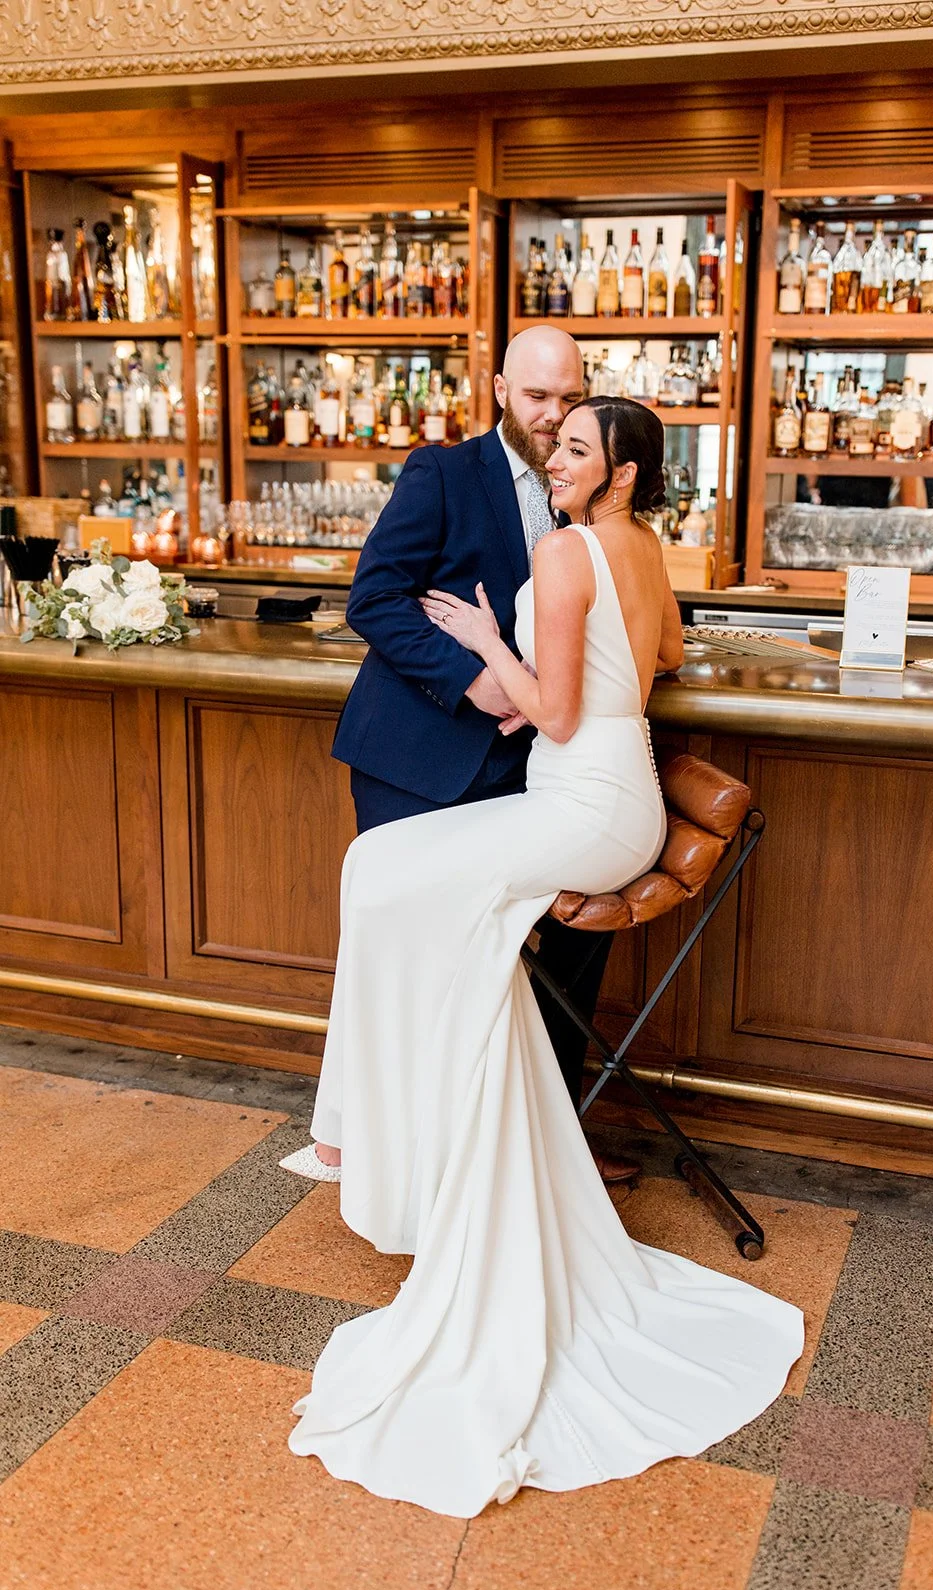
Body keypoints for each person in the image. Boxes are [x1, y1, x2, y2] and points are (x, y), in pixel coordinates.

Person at [283, 395, 804, 1518]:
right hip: (620, 802)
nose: (554, 460)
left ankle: (379, 1143)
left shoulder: (568, 550)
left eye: (575, 449)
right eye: (554, 441)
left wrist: (485, 645)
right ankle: (403, 1143)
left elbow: (551, 716)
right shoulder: (643, 546)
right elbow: (661, 653)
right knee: (401, 889)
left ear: (617, 473)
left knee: (379, 874)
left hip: (579, 804)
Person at [296, 325, 635, 1183]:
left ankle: (531, 1149)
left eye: (569, 398)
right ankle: (399, 1152)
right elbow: (373, 598)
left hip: (532, 774)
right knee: (412, 948)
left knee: (532, 960)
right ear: (498, 390)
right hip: (419, 753)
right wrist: (471, 678)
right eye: (536, 397)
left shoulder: (584, 497)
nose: (554, 417)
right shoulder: (441, 472)